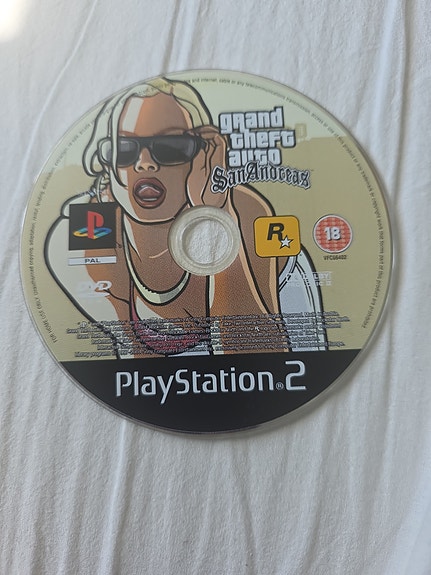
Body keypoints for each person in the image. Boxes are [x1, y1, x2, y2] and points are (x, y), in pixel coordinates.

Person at [46, 77, 323, 357]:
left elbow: (259, 361)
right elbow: (135, 370)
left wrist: (219, 211)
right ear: (107, 162)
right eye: (126, 149)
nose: (145, 163)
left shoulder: (247, 212)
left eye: (171, 148)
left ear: (203, 153)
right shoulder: (89, 228)